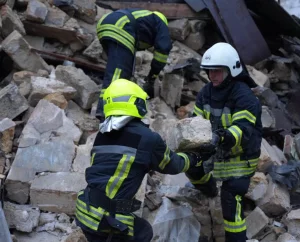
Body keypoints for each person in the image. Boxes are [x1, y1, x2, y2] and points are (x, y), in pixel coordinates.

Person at [75, 78, 214, 242]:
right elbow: (175, 165)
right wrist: (195, 157)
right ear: (136, 103)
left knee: (133, 213)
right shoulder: (147, 138)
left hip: (85, 209)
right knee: (144, 232)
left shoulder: (103, 134)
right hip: (104, 220)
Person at [186, 42, 263, 242]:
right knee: (190, 164)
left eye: (218, 71)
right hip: (215, 148)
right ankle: (209, 189)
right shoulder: (206, 92)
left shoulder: (244, 95)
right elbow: (197, 122)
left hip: (241, 156)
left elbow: (243, 130)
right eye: (210, 71)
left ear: (231, 70)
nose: (213, 76)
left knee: (230, 201)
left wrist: (221, 137)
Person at [95, 9, 172, 120]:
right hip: (120, 26)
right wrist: (153, 75)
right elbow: (163, 50)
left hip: (106, 23)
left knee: (120, 69)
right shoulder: (160, 22)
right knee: (119, 73)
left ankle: (113, 106)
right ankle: (104, 111)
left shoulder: (145, 21)